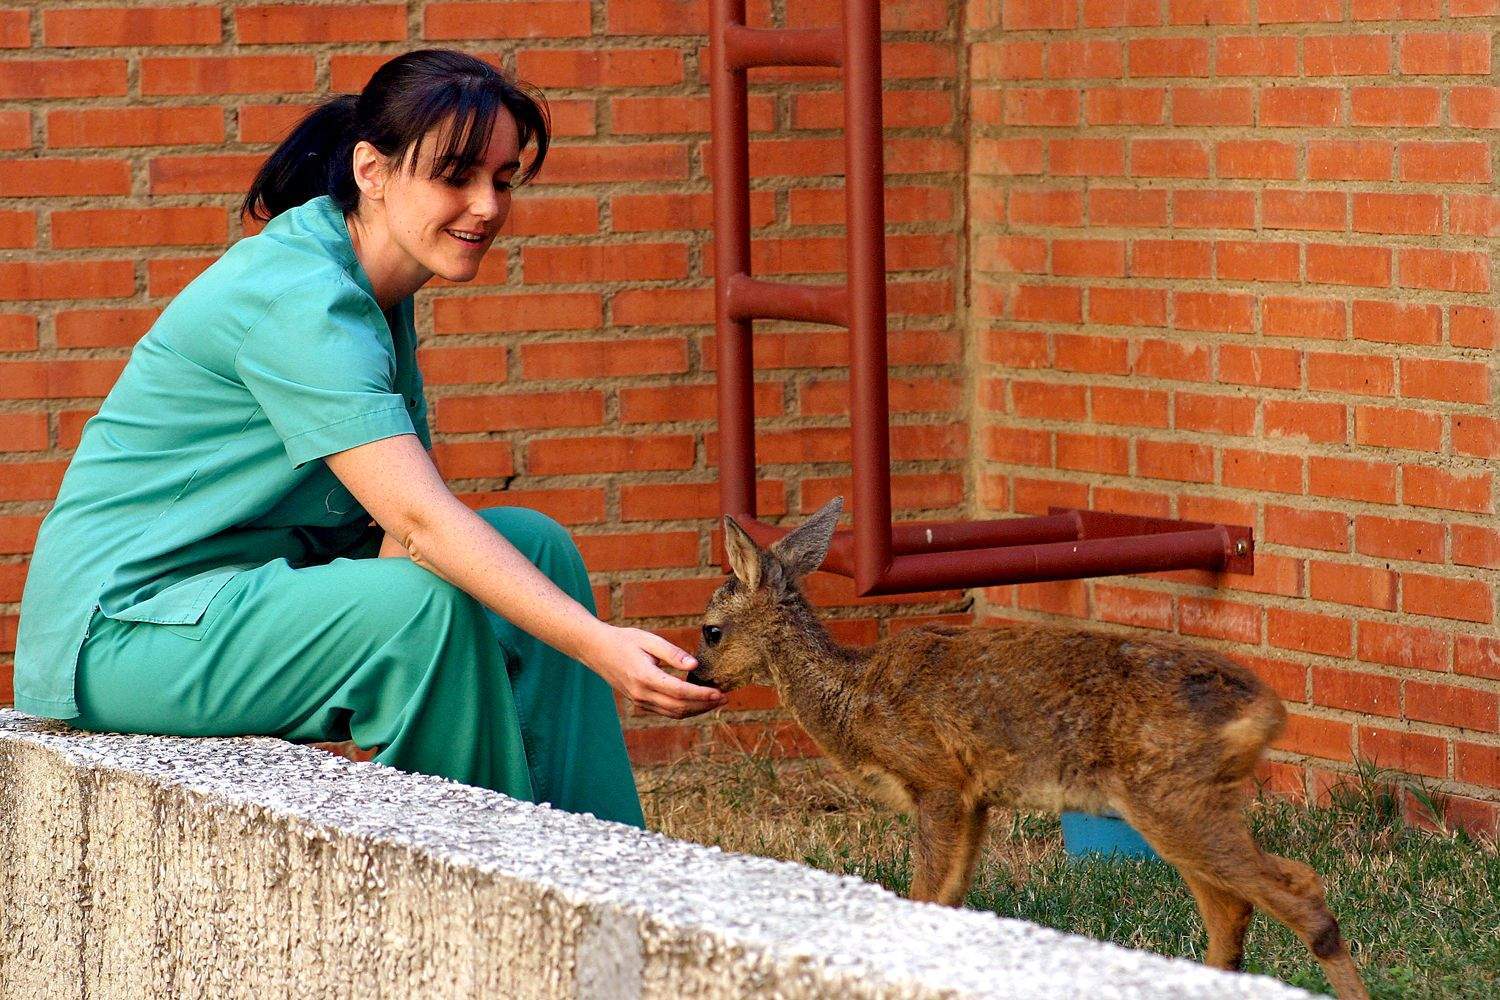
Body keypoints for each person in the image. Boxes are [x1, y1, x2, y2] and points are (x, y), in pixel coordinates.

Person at [10, 48, 724, 828]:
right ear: (372, 171)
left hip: (242, 596)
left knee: (534, 546)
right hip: (124, 632)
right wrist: (597, 644)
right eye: (456, 176)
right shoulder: (302, 296)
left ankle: (604, 861)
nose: (486, 206)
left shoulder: (376, 289)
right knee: (420, 609)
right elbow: (419, 527)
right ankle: (490, 886)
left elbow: (394, 527)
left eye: (504, 179)